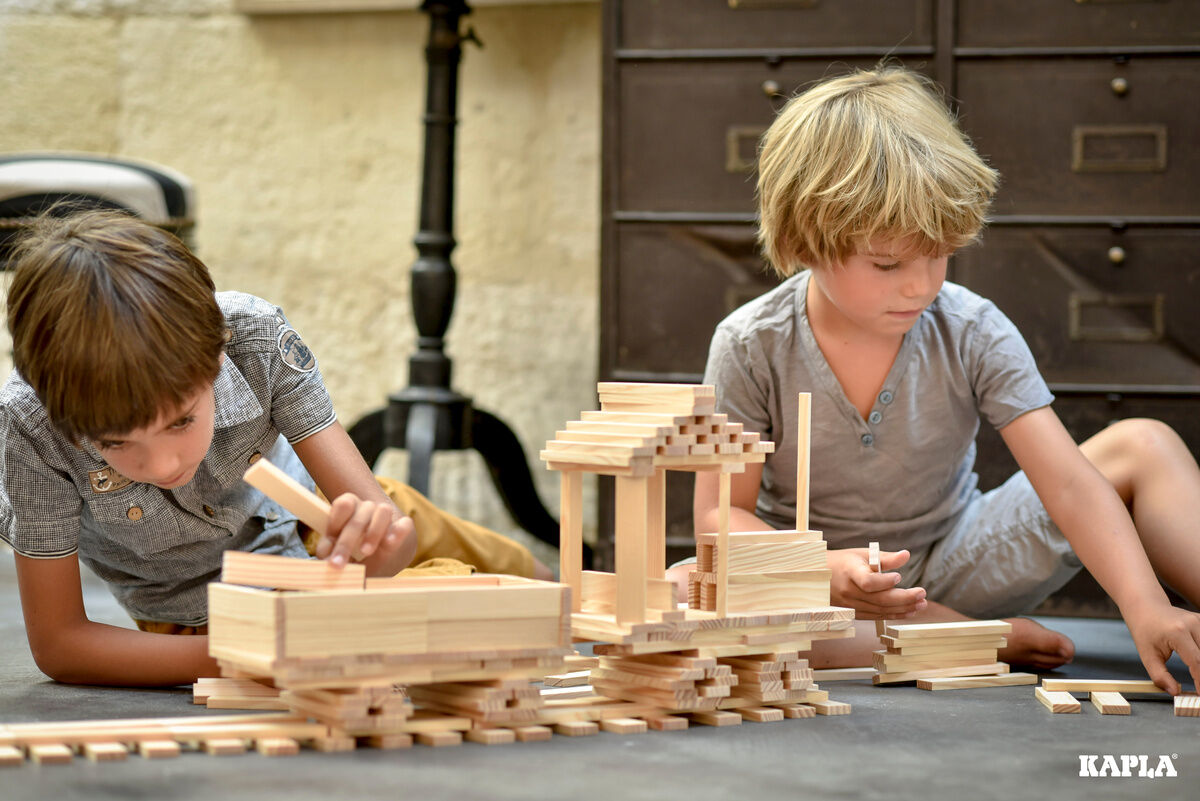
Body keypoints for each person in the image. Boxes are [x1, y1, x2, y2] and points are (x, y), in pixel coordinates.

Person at [667, 66, 1200, 694]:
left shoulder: (972, 328)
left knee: (1144, 446)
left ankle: (944, 633)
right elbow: (720, 516)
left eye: (940, 252)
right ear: (803, 242)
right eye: (888, 263)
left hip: (960, 560)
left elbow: (1070, 485)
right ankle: (978, 637)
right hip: (822, 587)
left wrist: (1144, 605)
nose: (921, 284)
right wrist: (821, 566)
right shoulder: (751, 343)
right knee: (678, 593)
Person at [0, 207, 551, 687]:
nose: (163, 466)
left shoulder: (253, 334)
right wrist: (252, 654)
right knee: (458, 612)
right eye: (116, 443)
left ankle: (554, 592)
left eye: (181, 421)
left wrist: (382, 553)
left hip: (324, 521)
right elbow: (62, 645)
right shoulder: (27, 419)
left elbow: (375, 525)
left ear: (216, 358)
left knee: (520, 575)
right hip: (211, 608)